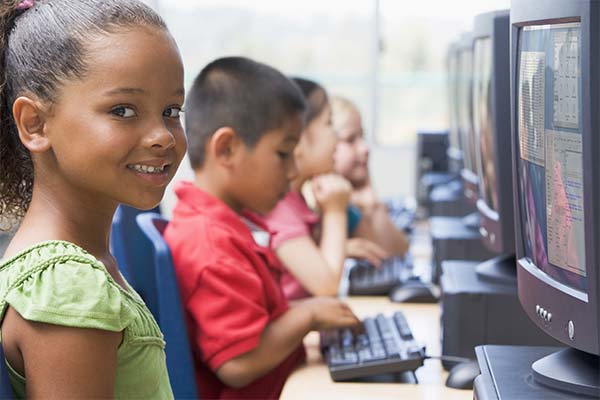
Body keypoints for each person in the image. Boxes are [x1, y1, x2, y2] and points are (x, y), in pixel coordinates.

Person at [0, 1, 186, 398]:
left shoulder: (72, 270)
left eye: (172, 110)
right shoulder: (69, 288)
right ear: (35, 124)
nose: (163, 136)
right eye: (123, 110)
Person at [164, 57, 360, 400]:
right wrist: (308, 315)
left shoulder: (223, 225)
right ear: (227, 149)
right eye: (283, 154)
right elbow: (237, 364)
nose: (292, 168)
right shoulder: (211, 244)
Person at [258, 78, 388, 300]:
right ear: (297, 137)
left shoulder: (295, 201)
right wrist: (335, 210)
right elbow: (326, 285)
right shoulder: (277, 207)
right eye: (329, 124)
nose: (336, 138)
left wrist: (337, 249)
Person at [331, 96, 410, 257]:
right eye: (350, 139)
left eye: (362, 137)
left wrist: (372, 205)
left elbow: (395, 252)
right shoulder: (319, 203)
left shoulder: (349, 204)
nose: (364, 148)